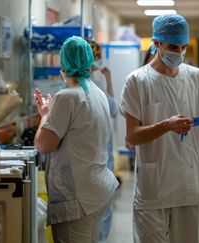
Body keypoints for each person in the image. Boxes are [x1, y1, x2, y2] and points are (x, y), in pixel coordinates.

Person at [120, 14, 199, 243]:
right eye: (173, 46)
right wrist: (166, 125)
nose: (179, 52)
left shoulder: (196, 78)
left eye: (183, 46)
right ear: (156, 43)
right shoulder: (137, 81)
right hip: (153, 189)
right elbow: (133, 137)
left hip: (187, 184)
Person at [34, 36, 119, 243]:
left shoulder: (67, 97)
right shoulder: (97, 93)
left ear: (64, 65)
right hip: (96, 189)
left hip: (78, 198)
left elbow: (43, 145)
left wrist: (44, 114)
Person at [85, 38, 118, 242]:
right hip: (97, 161)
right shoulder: (92, 89)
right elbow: (114, 108)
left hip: (96, 161)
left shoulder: (95, 87)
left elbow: (113, 107)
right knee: (99, 212)